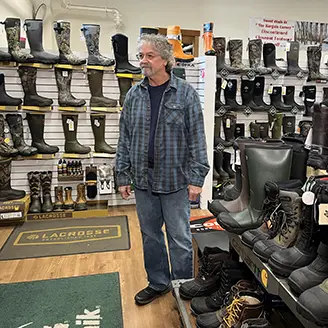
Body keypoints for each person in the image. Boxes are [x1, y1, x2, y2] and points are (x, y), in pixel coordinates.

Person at [115, 34, 210, 306]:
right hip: (143, 181)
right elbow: (125, 137)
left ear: (165, 60)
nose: (143, 61)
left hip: (175, 179)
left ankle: (182, 286)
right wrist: (122, 174)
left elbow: (197, 138)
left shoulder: (186, 94)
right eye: (141, 56)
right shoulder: (134, 94)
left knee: (179, 237)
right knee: (150, 236)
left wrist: (196, 178)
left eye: (149, 56)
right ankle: (158, 282)